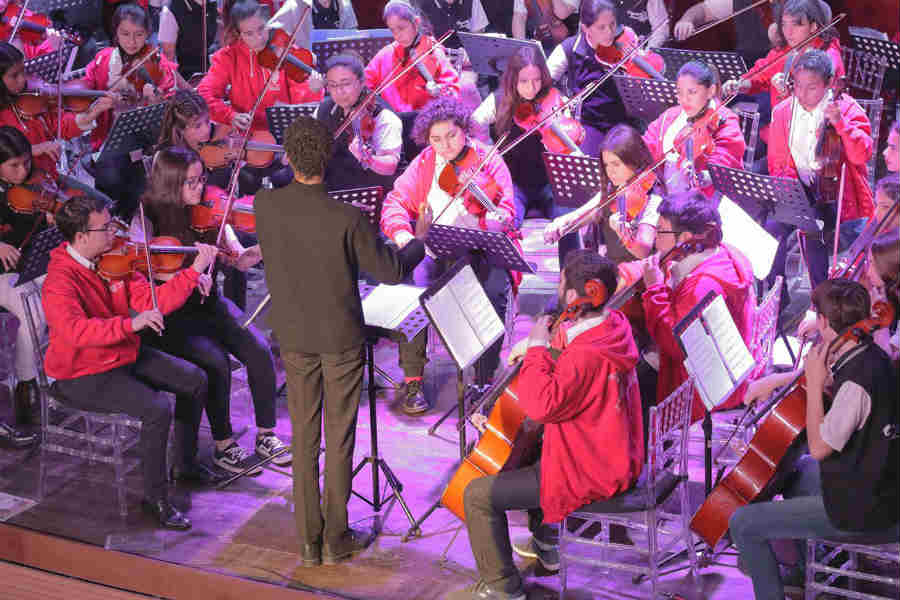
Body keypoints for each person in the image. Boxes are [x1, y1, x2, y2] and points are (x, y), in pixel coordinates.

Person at [254, 115, 426, 566]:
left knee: (305, 437)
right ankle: (337, 537)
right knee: (340, 437)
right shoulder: (346, 217)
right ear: (328, 160)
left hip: (292, 335)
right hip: (340, 338)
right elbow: (390, 270)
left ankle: (309, 543)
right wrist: (418, 242)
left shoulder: (265, 206)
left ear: (288, 158)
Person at [446, 250, 643, 600]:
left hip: (585, 469)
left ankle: (501, 586)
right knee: (528, 452)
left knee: (476, 494)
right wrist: (555, 342)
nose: (558, 287)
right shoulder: (615, 327)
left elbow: (539, 406)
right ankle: (548, 547)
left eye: (562, 282)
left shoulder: (585, 355)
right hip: (611, 452)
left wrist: (537, 346)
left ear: (574, 296)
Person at [41, 194, 219, 529]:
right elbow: (75, 332)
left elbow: (155, 300)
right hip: (80, 372)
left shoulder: (115, 262)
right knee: (157, 409)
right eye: (106, 227)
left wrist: (192, 273)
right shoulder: (59, 282)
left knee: (195, 379)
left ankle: (184, 463)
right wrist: (131, 324)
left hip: (119, 352)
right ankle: (156, 498)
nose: (115, 232)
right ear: (81, 236)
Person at [731, 278, 900, 600]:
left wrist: (812, 382)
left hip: (866, 510)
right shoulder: (872, 354)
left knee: (743, 523)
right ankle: (797, 573)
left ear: (824, 321)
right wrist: (795, 378)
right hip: (881, 483)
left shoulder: (856, 384)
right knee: (797, 475)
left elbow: (822, 448)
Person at [137, 146, 289, 480]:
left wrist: (261, 249)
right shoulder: (146, 215)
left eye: (200, 179)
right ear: (170, 182)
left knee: (259, 350)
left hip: (209, 305)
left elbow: (237, 257)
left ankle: (265, 434)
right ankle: (223, 445)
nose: (198, 187)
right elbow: (144, 272)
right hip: (173, 317)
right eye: (189, 182)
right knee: (216, 363)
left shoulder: (209, 211)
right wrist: (188, 276)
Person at [381, 96, 519, 414]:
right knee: (413, 295)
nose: (445, 146)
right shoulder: (426, 162)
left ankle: (483, 377)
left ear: (466, 131)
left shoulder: (489, 159)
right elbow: (395, 202)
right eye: (436, 139)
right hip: (437, 248)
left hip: (481, 248)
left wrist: (499, 218)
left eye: (452, 136)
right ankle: (413, 378)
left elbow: (508, 207)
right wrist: (403, 234)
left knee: (494, 293)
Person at [640, 189, 756, 422]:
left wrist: (654, 290)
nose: (655, 239)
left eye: (661, 231)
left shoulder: (701, 287)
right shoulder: (725, 253)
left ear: (684, 239)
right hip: (729, 375)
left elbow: (674, 344)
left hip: (703, 394)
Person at [767, 49, 873, 290]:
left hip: (836, 195)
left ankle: (820, 300)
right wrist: (790, 195)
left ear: (829, 84)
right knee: (770, 230)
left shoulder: (846, 109)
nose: (802, 94)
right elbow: (776, 159)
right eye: (797, 85)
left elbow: (861, 154)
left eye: (811, 87)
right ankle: (777, 297)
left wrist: (841, 125)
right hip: (798, 187)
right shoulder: (783, 112)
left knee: (813, 232)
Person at [197, 0, 324, 193]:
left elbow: (303, 102)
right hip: (249, 140)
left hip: (284, 139)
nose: (258, 38)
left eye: (262, 29)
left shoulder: (283, 50)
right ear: (239, 34)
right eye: (249, 34)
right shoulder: (229, 56)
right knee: (239, 177)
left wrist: (314, 89)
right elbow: (205, 94)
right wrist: (231, 116)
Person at [471, 45, 581, 268]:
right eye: (524, 81)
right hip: (514, 184)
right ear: (513, 80)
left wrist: (572, 137)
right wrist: (489, 151)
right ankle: (507, 282)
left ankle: (571, 280)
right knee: (502, 224)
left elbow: (569, 144)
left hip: (550, 183)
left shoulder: (555, 99)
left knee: (568, 223)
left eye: (537, 80)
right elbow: (472, 126)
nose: (532, 88)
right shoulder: (498, 100)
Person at [157, 88, 262, 309]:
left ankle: (238, 312)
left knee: (253, 242)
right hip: (187, 226)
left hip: (217, 220)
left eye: (207, 121)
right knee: (234, 253)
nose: (207, 129)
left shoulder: (216, 139)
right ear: (180, 130)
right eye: (198, 126)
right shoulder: (169, 159)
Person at [79, 3, 179, 221]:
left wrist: (157, 98)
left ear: (148, 34)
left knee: (152, 186)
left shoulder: (155, 60)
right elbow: (84, 97)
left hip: (146, 141)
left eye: (139, 34)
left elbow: (171, 97)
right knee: (112, 180)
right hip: (109, 141)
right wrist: (99, 104)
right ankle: (114, 220)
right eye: (125, 34)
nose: (132, 42)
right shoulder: (102, 59)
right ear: (115, 32)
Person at [545, 123, 664, 265]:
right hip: (613, 266)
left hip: (638, 275)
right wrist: (564, 223)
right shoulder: (613, 187)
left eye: (616, 164)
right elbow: (593, 211)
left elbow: (643, 250)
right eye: (607, 165)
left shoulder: (653, 196)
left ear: (634, 160)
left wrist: (622, 232)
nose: (610, 172)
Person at [364, 1, 460, 160]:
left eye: (401, 28)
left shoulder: (433, 52)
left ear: (416, 23)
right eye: (392, 30)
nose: (397, 35)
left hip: (426, 129)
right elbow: (364, 84)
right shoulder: (387, 54)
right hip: (394, 127)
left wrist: (439, 90)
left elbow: (452, 92)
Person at [0, 43, 112, 177]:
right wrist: (35, 149)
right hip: (19, 182)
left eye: (23, 71)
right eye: (14, 76)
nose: (23, 79)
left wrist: (89, 116)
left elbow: (60, 125)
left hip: (48, 175)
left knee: (101, 198)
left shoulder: (31, 98)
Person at [545, 0, 638, 156]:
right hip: (589, 124)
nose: (609, 32)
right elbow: (544, 84)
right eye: (601, 27)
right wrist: (561, 101)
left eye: (612, 24)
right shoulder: (569, 48)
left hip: (624, 121)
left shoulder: (625, 40)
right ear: (585, 28)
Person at [642, 60, 745, 197]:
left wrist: (705, 176)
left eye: (692, 92)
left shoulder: (725, 119)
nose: (684, 99)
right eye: (679, 92)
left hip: (704, 201)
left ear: (711, 91)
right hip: (663, 197)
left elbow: (725, 161)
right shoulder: (669, 115)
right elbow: (644, 148)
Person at [0, 126, 47, 426]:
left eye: (27, 163)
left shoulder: (33, 185)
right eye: (14, 165)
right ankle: (26, 382)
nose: (23, 171)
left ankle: (64, 370)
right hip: (2, 274)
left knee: (72, 288)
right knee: (33, 311)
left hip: (31, 263)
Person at [722, 0, 844, 113]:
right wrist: (741, 85)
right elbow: (760, 74)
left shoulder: (829, 57)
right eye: (784, 24)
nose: (788, 32)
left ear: (813, 26)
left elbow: (817, 106)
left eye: (796, 25)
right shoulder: (787, 50)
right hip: (780, 127)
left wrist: (788, 92)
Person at [314, 52, 403, 192]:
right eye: (333, 85)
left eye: (346, 83)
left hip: (370, 188)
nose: (339, 91)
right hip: (334, 184)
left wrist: (368, 158)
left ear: (362, 82)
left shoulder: (384, 117)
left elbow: (390, 166)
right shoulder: (325, 108)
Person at [158, 0, 219, 80]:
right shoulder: (170, 11)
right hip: (186, 80)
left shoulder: (212, 4)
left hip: (212, 76)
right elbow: (169, 65)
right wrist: (190, 90)